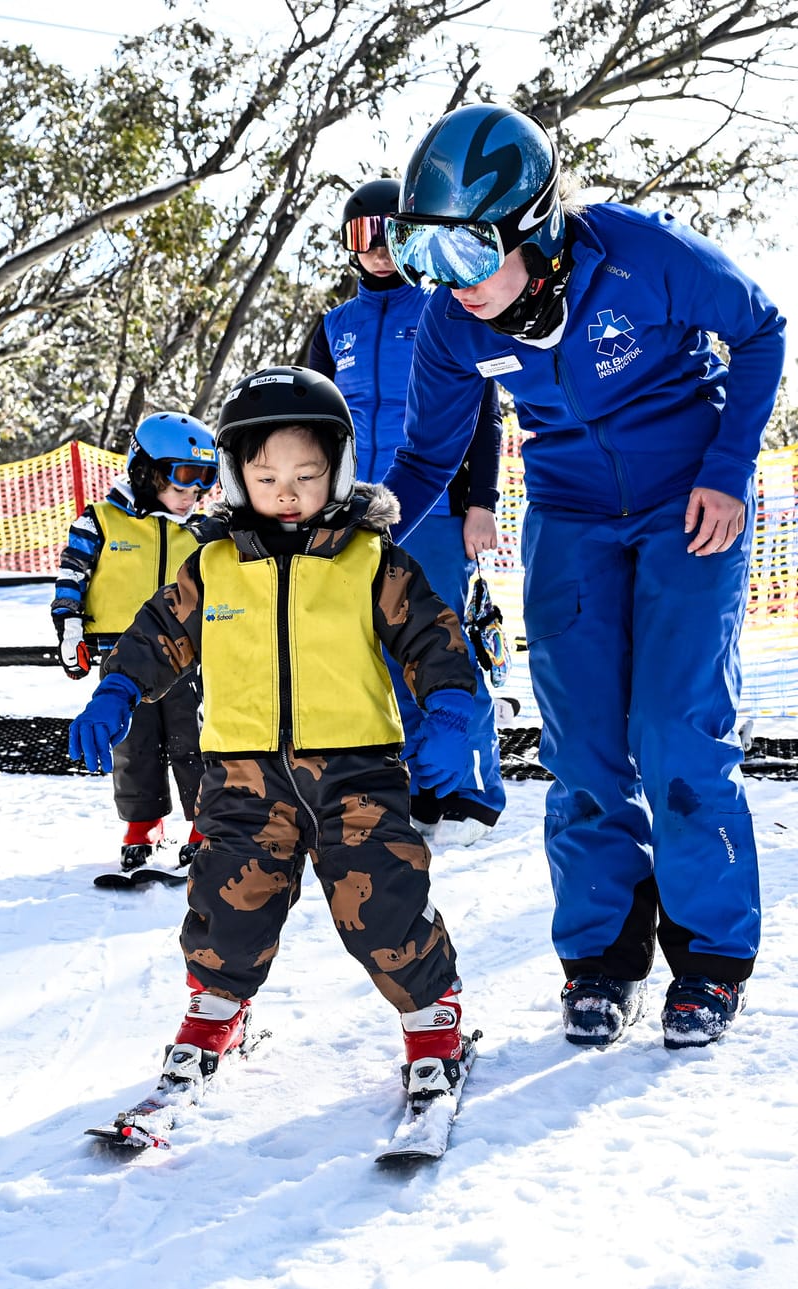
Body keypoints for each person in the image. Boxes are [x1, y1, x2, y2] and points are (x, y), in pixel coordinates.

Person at [379, 104, 786, 1050]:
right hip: (570, 518)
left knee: (677, 731)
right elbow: (428, 456)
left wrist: (727, 470)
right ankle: (602, 958)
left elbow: (759, 330)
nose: (448, 284)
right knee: (584, 746)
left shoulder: (642, 255)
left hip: (691, 499)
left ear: (536, 228)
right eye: (422, 255)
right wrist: (368, 522)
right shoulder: (454, 322)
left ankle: (712, 963)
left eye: (467, 256)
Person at [68, 365, 481, 1114]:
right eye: (265, 475)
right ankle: (215, 1012)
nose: (286, 491)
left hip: (356, 772)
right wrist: (118, 689)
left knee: (383, 905)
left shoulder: (370, 559)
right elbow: (157, 633)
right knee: (226, 905)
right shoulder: (216, 565)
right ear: (236, 477)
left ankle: (433, 1024)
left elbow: (434, 637)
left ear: (339, 471)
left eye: (306, 473)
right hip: (240, 776)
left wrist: (451, 713)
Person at [307, 175, 510, 845]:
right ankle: (423, 785)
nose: (376, 250)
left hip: (436, 510)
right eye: (361, 236)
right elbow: (306, 426)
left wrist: (481, 502)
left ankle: (473, 792)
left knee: (444, 644)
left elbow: (484, 412)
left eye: (389, 234)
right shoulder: (333, 327)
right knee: (381, 653)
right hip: (357, 514)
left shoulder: (446, 311)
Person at [51, 413, 217, 874]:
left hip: (188, 660)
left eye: (202, 487)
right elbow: (72, 575)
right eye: (181, 483)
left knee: (196, 742)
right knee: (134, 746)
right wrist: (69, 625)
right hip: (119, 656)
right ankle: (143, 823)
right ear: (145, 472)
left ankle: (206, 825)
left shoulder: (202, 532)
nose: (192, 496)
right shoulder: (99, 521)